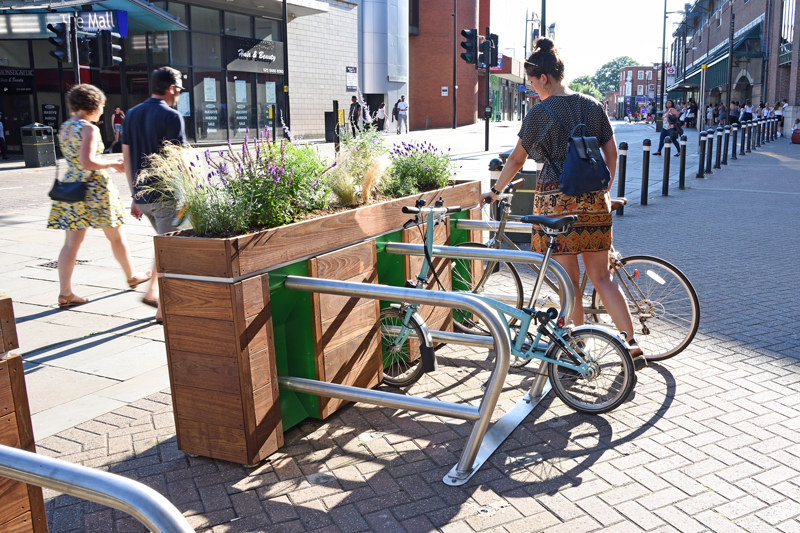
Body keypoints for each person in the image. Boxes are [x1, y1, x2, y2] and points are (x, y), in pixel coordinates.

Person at [480, 38, 645, 369]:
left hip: (556, 204)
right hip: (595, 202)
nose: (531, 89)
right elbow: (611, 155)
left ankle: (578, 351)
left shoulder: (539, 113)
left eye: (531, 82)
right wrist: (601, 189)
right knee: (602, 277)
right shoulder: (592, 105)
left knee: (568, 285)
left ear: (543, 78)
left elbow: (515, 160)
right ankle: (630, 343)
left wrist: (496, 192)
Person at [47, 85, 150, 308]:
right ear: (93, 105)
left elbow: (77, 161)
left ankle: (65, 293)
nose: (103, 111)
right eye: (102, 106)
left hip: (72, 186)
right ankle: (132, 275)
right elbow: (88, 162)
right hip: (94, 189)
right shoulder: (89, 129)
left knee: (71, 244)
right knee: (116, 236)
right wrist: (113, 163)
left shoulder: (65, 127)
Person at [122, 67, 187, 322]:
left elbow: (127, 158)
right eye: (179, 89)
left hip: (143, 198)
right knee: (172, 252)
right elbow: (178, 160)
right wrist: (190, 192)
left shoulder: (131, 114)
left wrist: (134, 195)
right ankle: (163, 310)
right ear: (171, 88)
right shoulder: (171, 116)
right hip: (166, 197)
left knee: (164, 245)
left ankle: (151, 292)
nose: (179, 94)